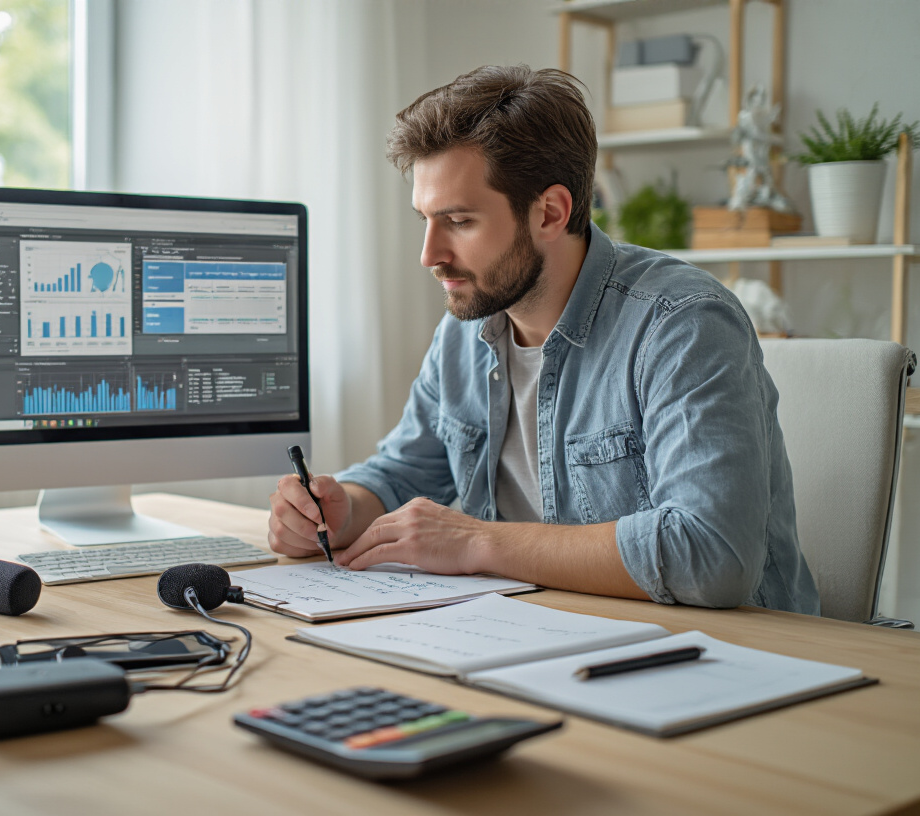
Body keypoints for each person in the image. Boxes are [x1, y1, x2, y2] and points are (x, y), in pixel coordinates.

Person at [268, 65, 819, 613]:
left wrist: (475, 542)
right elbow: (402, 473)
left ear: (550, 213)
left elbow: (711, 556)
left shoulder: (682, 324)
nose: (430, 255)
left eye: (458, 221)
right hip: (540, 634)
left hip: (727, 656)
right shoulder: (467, 327)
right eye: (425, 220)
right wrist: (336, 511)